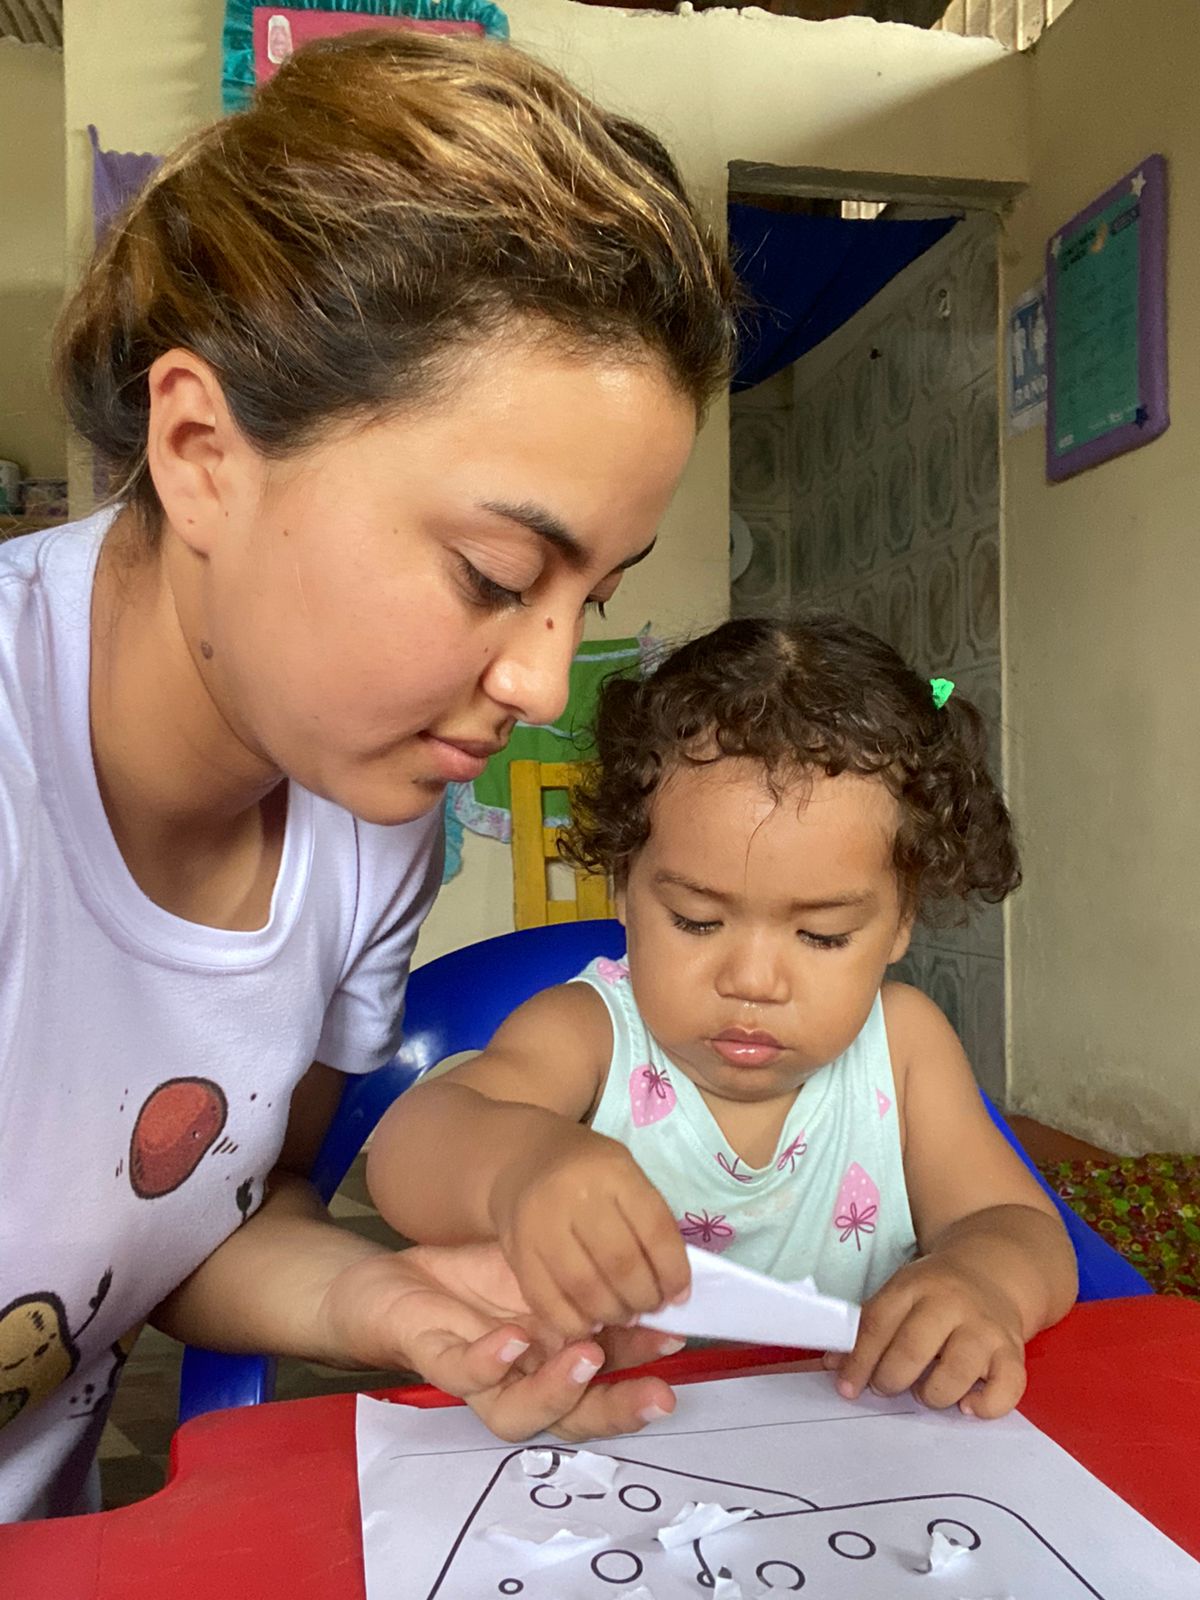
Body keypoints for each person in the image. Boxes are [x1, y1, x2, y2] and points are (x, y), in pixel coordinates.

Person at [0, 32, 739, 1522]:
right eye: (496, 574)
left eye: (591, 597)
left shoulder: (368, 817)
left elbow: (204, 1218)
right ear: (201, 451)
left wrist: (397, 1307)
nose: (542, 685)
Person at [369, 614, 1079, 1420]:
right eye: (698, 921)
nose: (752, 981)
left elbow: (1016, 1224)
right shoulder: (591, 1033)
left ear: (900, 921)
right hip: (613, 1447)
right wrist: (520, 1166)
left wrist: (982, 1280)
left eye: (822, 935)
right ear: (624, 885)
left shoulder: (904, 1047)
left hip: (854, 1456)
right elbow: (407, 1151)